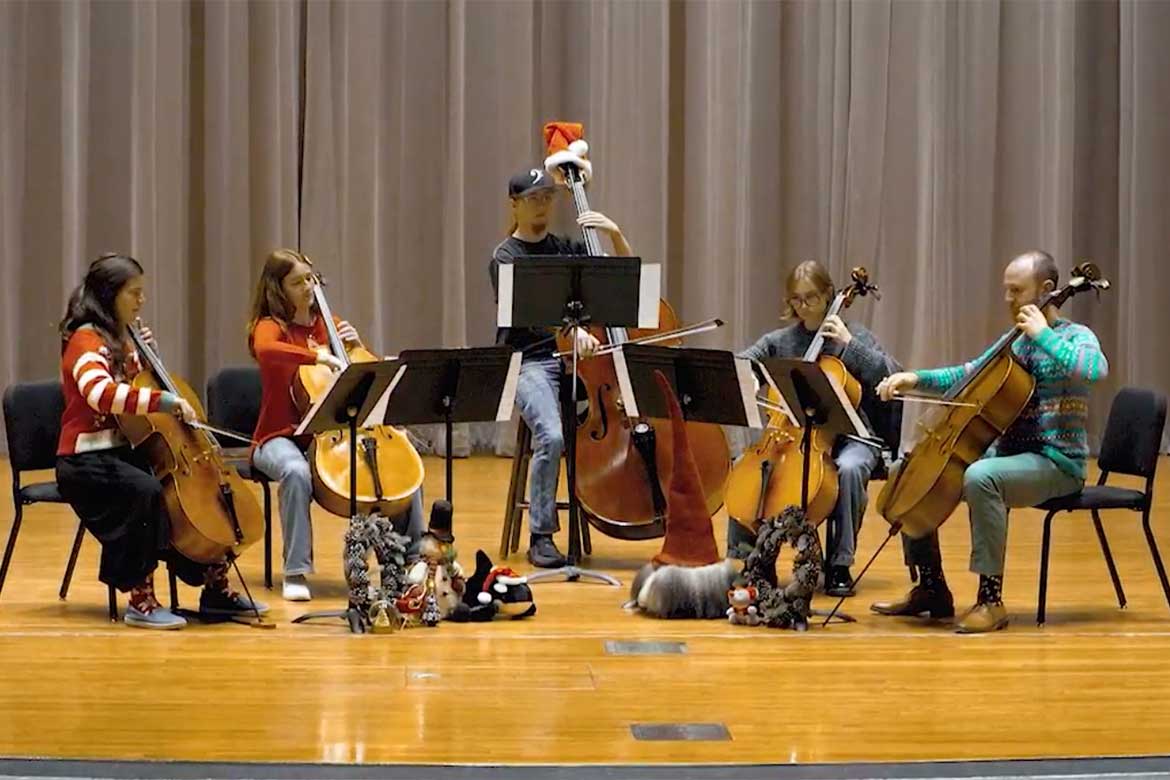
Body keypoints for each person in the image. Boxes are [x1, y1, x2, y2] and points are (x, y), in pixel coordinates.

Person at [873, 250, 1108, 633]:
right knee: (908, 469)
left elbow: (1095, 370)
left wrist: (1045, 336)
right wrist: (914, 379)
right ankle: (931, 588)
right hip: (1012, 458)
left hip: (1057, 463)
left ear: (1046, 290)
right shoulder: (1013, 341)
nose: (1008, 299)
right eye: (1006, 290)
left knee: (983, 477)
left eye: (1016, 290)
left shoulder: (1075, 336)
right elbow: (969, 374)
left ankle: (990, 600)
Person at [56, 253, 266, 629]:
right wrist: (163, 400)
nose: (141, 301)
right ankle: (141, 600)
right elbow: (102, 394)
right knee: (145, 493)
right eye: (133, 293)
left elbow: (136, 389)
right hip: (86, 461)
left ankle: (215, 592)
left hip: (125, 450)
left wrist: (144, 361)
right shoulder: (85, 341)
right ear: (109, 295)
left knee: (203, 498)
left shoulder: (122, 338)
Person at [247, 248, 424, 601]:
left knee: (403, 463)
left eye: (310, 279)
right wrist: (317, 355)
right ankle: (296, 571)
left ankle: (411, 558)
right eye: (297, 282)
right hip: (281, 436)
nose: (308, 288)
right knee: (296, 472)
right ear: (277, 288)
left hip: (331, 436)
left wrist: (358, 346)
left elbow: (366, 375)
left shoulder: (327, 323)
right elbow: (266, 350)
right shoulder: (270, 327)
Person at [488, 167, 632, 567]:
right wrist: (571, 331)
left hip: (575, 362)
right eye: (533, 198)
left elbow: (619, 283)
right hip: (529, 361)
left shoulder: (565, 248)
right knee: (551, 436)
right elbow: (530, 316)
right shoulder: (505, 258)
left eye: (548, 197)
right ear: (515, 204)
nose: (542, 205)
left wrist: (615, 234)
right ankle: (541, 535)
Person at [733, 260, 900, 596]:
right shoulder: (781, 341)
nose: (803, 306)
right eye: (796, 299)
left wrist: (850, 344)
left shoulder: (856, 336)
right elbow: (743, 359)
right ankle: (749, 560)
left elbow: (889, 374)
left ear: (828, 295)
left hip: (852, 436)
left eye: (810, 298)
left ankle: (839, 564)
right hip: (795, 436)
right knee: (746, 468)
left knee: (850, 469)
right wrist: (748, 375)